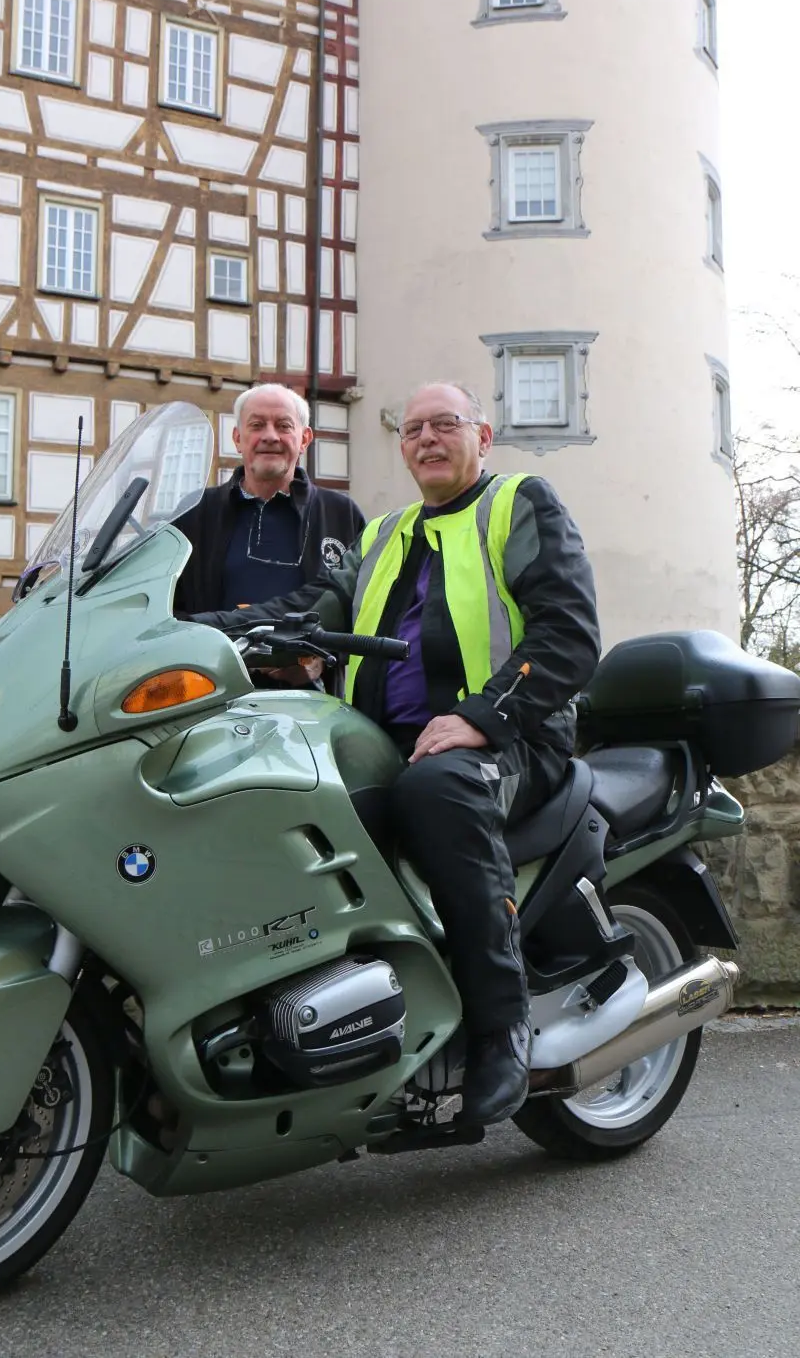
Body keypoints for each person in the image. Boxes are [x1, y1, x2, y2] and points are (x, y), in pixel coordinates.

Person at [195, 382, 600, 1126]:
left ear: (482, 435)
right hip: (393, 744)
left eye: (445, 424)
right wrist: (180, 632)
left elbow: (569, 633)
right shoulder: (381, 536)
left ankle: (500, 1028)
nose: (426, 439)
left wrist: (482, 716)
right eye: (412, 429)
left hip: (511, 739)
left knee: (437, 792)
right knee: (284, 808)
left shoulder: (517, 504)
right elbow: (303, 612)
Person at [175, 383, 364, 687]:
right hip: (211, 696)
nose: (270, 436)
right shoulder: (195, 513)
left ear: (304, 439)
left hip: (311, 704)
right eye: (257, 425)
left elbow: (363, 609)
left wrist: (319, 659)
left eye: (284, 425)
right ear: (238, 438)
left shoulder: (341, 513)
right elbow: (170, 607)